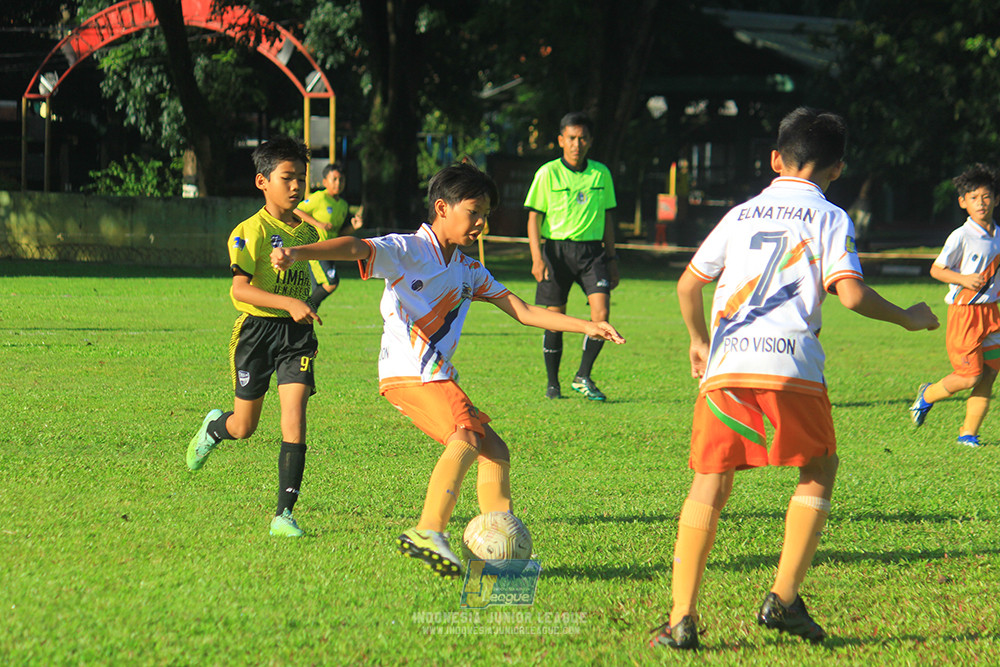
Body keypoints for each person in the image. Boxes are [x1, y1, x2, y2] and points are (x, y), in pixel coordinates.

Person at [649, 108, 939, 650]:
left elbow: (689, 286)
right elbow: (848, 293)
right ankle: (783, 598)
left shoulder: (738, 215)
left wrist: (698, 341)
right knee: (820, 465)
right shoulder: (831, 217)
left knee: (711, 479)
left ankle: (681, 617)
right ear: (837, 169)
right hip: (793, 368)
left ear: (776, 160)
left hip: (728, 366)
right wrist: (907, 315)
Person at [271, 162, 625, 577]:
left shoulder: (468, 270)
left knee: (495, 450)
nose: (480, 223)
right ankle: (428, 530)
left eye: (486, 216)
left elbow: (525, 311)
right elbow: (355, 247)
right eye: (473, 212)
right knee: (468, 436)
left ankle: (503, 556)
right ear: (442, 207)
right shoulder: (409, 249)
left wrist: (588, 325)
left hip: (430, 374)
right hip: (411, 369)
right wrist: (298, 252)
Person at [185, 136, 322, 538]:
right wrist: (288, 302)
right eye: (287, 178)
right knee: (244, 427)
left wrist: (302, 302)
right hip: (257, 333)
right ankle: (214, 428)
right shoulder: (249, 231)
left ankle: (284, 515)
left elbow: (325, 260)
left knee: (294, 419)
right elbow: (239, 290)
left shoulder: (308, 234)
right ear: (262, 181)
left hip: (297, 336)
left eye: (300, 177)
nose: (296, 186)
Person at [524, 111, 618, 401]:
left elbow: (608, 219)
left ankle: (583, 375)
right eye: (572, 138)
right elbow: (533, 218)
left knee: (601, 314)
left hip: (592, 253)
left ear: (590, 141)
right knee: (555, 319)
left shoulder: (601, 173)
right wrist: (537, 258)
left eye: (583, 138)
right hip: (556, 252)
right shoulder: (547, 173)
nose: (577, 143)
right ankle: (553, 384)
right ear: (561, 140)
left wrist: (612, 259)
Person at [909, 163, 1000, 447]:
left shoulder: (998, 234)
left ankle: (967, 434)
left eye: (986, 196)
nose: (981, 203)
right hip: (965, 315)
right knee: (970, 376)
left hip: (993, 313)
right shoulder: (961, 235)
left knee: (989, 374)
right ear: (963, 202)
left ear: (996, 199)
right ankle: (927, 394)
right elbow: (937, 270)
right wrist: (962, 278)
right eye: (973, 197)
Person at [295, 162, 363, 312]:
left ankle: (304, 318)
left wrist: (353, 227)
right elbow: (297, 210)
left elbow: (338, 235)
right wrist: (317, 223)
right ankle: (303, 311)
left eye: (342, 180)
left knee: (318, 288)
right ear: (325, 181)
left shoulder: (343, 205)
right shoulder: (319, 198)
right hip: (316, 249)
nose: (338, 183)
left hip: (330, 251)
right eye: (335, 179)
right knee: (331, 282)